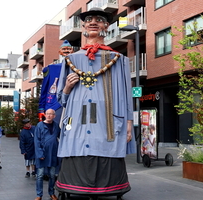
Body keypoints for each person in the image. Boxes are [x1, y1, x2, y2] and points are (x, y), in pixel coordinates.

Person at [55, 7, 135, 199]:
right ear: (83, 26)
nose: (93, 22)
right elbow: (61, 99)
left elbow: (126, 94)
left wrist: (129, 124)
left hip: (107, 123)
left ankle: (108, 189)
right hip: (77, 125)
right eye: (89, 19)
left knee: (107, 146)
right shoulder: (70, 60)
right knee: (78, 144)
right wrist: (66, 88)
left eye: (99, 20)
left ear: (106, 26)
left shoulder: (119, 60)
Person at [39, 40, 74, 123]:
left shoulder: (78, 68)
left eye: (68, 49)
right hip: (54, 104)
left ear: (72, 50)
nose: (66, 51)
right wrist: (41, 108)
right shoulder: (51, 68)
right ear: (59, 52)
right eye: (64, 49)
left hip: (73, 102)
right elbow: (44, 89)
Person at [34, 109, 60, 200]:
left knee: (52, 175)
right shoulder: (39, 125)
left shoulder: (56, 125)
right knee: (40, 175)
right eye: (47, 114)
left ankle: (52, 193)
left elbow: (61, 136)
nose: (49, 115)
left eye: (51, 114)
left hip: (52, 154)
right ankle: (39, 195)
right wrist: (40, 154)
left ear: (54, 116)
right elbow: (37, 141)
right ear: (45, 115)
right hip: (42, 154)